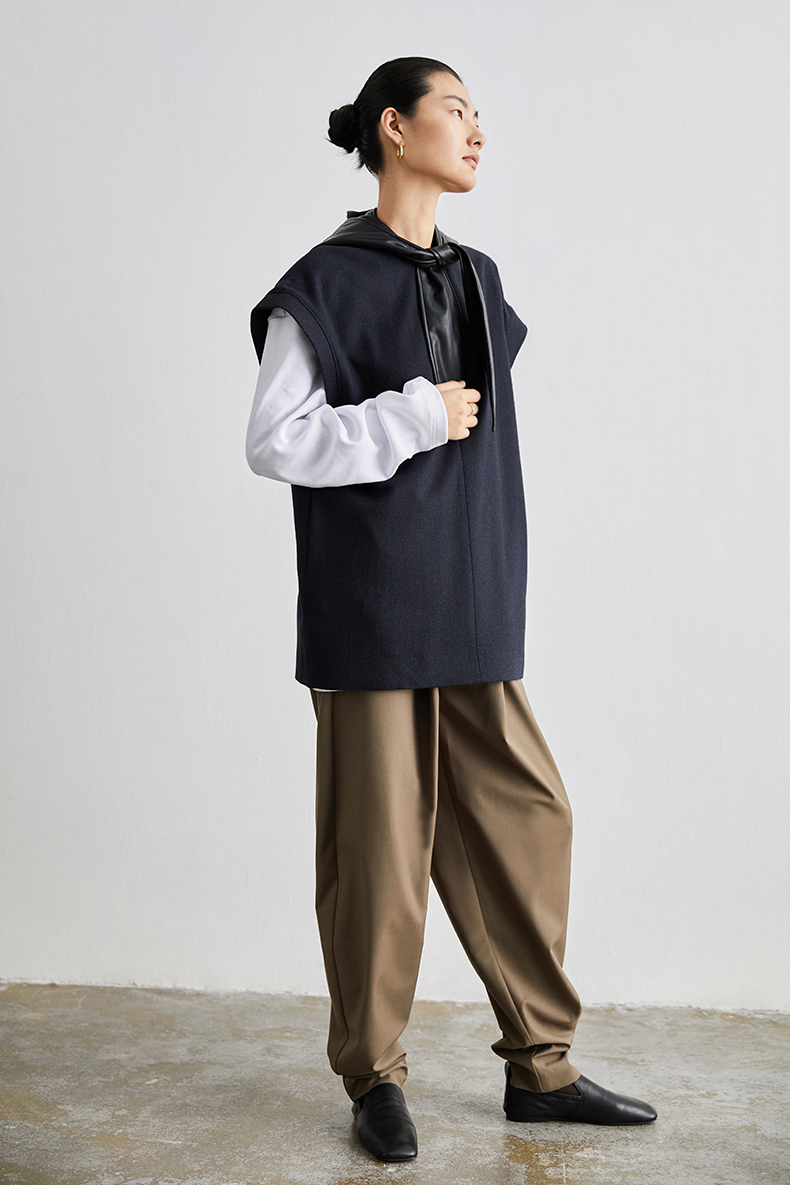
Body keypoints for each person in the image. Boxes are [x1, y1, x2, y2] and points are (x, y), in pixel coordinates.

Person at [246, 56, 657, 1164]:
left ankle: (542, 1067)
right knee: (379, 857)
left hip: (472, 591)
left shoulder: (478, 276)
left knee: (527, 818)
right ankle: (374, 1077)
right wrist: (411, 415)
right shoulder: (323, 282)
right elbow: (273, 442)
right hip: (371, 605)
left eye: (480, 116)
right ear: (394, 127)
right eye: (457, 111)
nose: (477, 131)